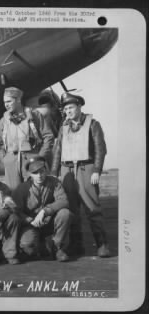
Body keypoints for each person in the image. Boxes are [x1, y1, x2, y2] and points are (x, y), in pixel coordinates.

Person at [51, 92, 110, 258]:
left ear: (79, 107)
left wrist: (97, 170)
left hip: (86, 169)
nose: (68, 111)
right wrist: (54, 173)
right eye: (66, 108)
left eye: (71, 107)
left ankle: (102, 245)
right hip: (67, 171)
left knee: (92, 208)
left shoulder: (93, 124)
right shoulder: (64, 127)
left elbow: (100, 149)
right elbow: (57, 151)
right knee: (71, 209)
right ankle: (77, 246)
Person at [12, 156, 73, 262]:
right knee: (28, 248)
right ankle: (40, 246)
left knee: (65, 213)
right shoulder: (22, 188)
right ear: (30, 174)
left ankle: (58, 248)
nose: (39, 175)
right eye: (35, 173)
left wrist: (45, 211)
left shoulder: (54, 182)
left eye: (42, 171)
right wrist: (29, 220)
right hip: (31, 225)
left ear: (46, 170)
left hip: (49, 222)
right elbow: (16, 211)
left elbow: (64, 201)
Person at [0, 87, 54, 193]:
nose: (6, 105)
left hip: (32, 159)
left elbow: (48, 136)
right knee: (14, 194)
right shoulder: (3, 121)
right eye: (5, 102)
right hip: (11, 163)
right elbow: (0, 142)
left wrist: (40, 156)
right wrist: (5, 159)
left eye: (9, 101)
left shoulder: (34, 115)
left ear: (18, 100)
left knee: (35, 192)